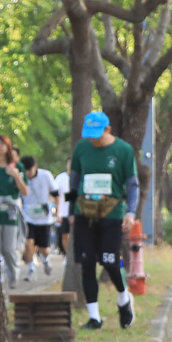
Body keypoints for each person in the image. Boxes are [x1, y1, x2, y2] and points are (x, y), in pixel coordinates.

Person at [67, 110, 139, 329]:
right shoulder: (82, 147)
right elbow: (74, 181)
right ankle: (94, 317)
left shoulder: (123, 150)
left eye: (97, 134)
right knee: (86, 263)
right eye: (89, 135)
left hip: (112, 213)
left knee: (110, 261)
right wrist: (71, 210)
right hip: (84, 212)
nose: (93, 139)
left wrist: (130, 213)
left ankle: (124, 299)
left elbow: (132, 184)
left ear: (108, 129)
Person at [0, 135, 28, 288]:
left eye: (2, 144)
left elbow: (25, 191)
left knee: (9, 248)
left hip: (11, 212)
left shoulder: (18, 166)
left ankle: (13, 274)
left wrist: (15, 174)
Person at [19, 154, 56, 280]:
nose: (27, 173)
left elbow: (55, 192)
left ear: (35, 166)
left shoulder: (46, 175)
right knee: (28, 243)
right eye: (25, 170)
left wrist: (54, 208)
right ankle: (31, 268)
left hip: (44, 218)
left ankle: (45, 260)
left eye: (29, 170)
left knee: (45, 249)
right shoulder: (20, 178)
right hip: (28, 218)